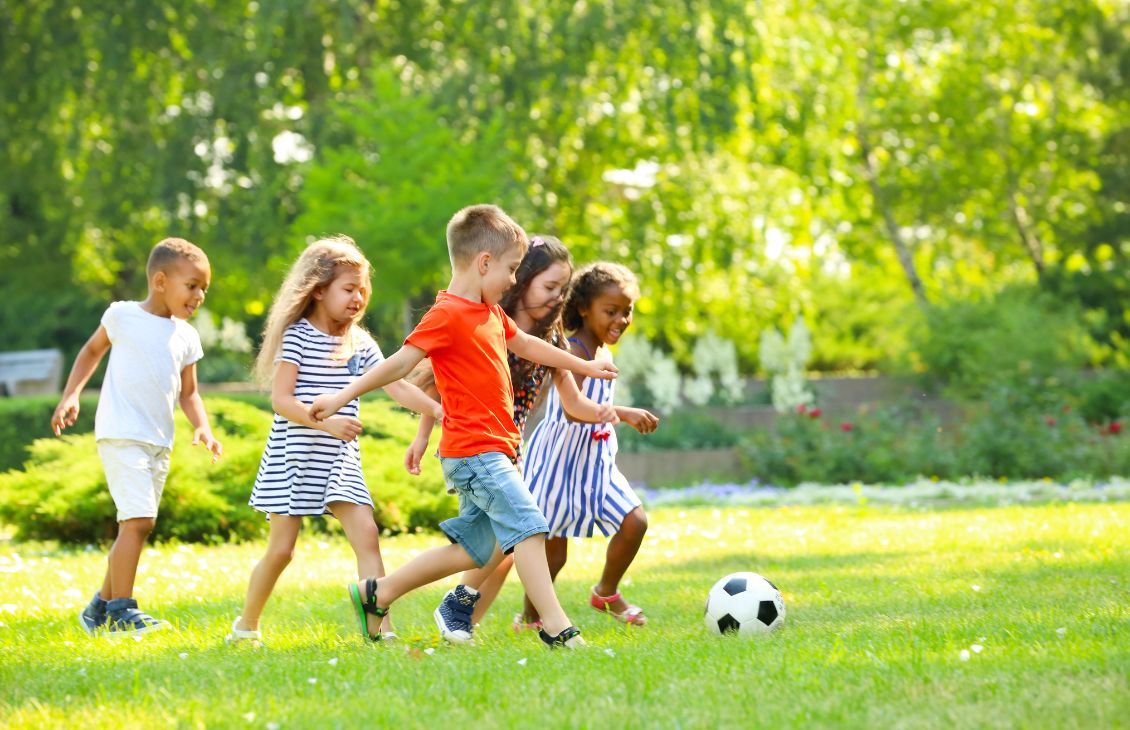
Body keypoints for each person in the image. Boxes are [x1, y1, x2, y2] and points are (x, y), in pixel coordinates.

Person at [310, 204, 616, 648]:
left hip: (495, 449)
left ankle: (378, 593)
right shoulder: (448, 314)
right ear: (484, 262)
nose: (514, 280)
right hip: (474, 452)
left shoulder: (489, 313)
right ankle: (556, 626)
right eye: (511, 269)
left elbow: (528, 344)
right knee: (529, 525)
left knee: (474, 551)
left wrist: (579, 365)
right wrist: (340, 397)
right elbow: (398, 364)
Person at [224, 236, 442, 645]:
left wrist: (438, 411)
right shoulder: (298, 336)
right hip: (294, 455)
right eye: (348, 289)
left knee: (367, 534)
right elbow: (281, 400)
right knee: (282, 550)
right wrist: (326, 424)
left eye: (362, 290)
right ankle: (246, 625)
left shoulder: (359, 342)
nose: (358, 298)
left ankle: (381, 630)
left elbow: (397, 387)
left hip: (339, 459)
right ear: (319, 290)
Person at [403, 235, 618, 642]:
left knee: (495, 547)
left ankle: (447, 612)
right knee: (517, 535)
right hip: (475, 443)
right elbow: (438, 383)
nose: (558, 298)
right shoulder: (486, 318)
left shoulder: (549, 338)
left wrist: (612, 411)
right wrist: (422, 435)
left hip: (507, 444)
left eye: (563, 290)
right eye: (550, 287)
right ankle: (543, 626)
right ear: (524, 280)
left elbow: (573, 403)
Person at [52, 237, 223, 635]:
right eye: (192, 285)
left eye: (204, 289)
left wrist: (203, 426)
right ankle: (121, 610)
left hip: (158, 440)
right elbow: (91, 351)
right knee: (139, 520)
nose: (199, 296)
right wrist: (71, 394)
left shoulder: (186, 337)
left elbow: (190, 392)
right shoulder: (123, 316)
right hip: (121, 433)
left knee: (138, 522)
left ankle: (98, 607)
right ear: (160, 281)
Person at [517, 262, 659, 629]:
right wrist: (624, 413)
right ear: (584, 308)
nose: (621, 320)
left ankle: (606, 593)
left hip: (595, 463)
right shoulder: (574, 351)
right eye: (610, 311)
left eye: (626, 311)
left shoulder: (602, 354)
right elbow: (573, 409)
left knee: (634, 522)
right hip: (558, 461)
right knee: (554, 554)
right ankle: (531, 617)